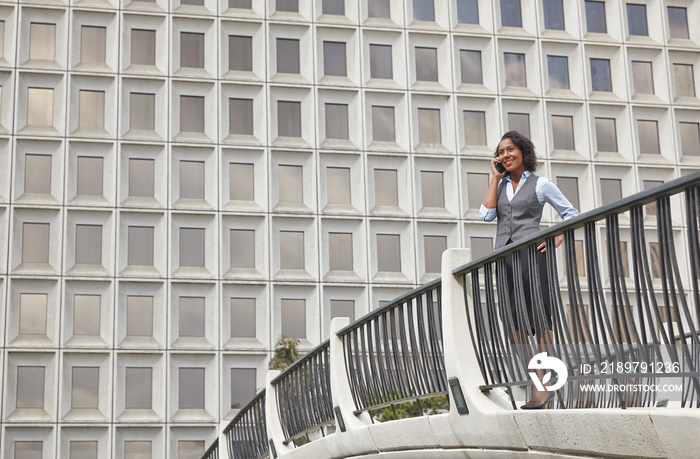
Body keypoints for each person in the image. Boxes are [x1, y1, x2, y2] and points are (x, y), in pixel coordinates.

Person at [479, 131, 578, 409]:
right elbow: (485, 215)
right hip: (506, 262)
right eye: (500, 152)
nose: (505, 155)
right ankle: (538, 381)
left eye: (510, 150)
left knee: (541, 323)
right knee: (513, 325)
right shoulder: (498, 186)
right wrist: (495, 178)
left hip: (534, 260)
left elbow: (570, 214)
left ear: (522, 152)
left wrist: (555, 239)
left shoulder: (541, 184)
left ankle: (545, 387)